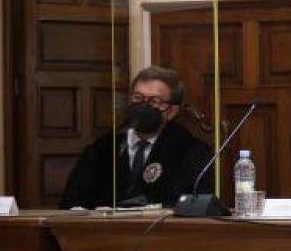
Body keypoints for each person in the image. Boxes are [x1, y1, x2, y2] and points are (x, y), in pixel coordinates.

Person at [61, 66, 213, 208]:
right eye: (138, 97)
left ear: (171, 111)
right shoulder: (102, 149)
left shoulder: (190, 151)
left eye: (154, 101)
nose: (143, 106)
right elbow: (72, 202)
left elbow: (197, 205)